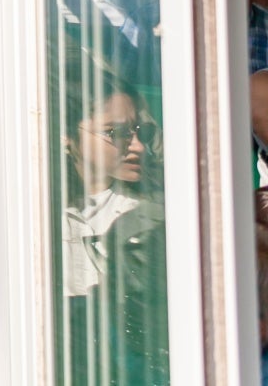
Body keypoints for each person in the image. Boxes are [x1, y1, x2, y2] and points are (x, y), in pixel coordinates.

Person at [61, 67, 166, 382]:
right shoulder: (28, 203)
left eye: (137, 132)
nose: (137, 147)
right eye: (115, 133)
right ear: (66, 137)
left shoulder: (149, 214)